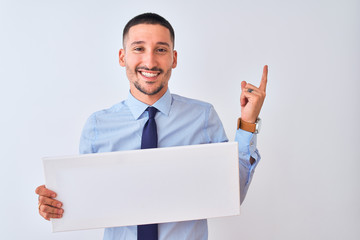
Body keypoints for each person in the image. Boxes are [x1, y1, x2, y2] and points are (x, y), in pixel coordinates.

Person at [35, 13, 268, 240]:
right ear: (122, 57)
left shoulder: (203, 117)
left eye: (161, 49)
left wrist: (248, 123)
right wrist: (54, 204)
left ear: (174, 58)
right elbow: (86, 200)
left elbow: (230, 193)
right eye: (138, 48)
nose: (150, 61)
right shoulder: (97, 126)